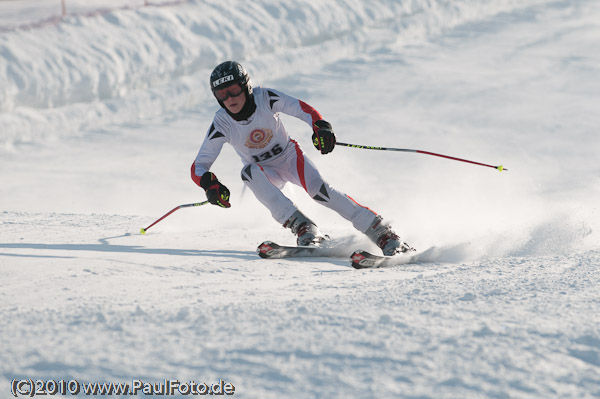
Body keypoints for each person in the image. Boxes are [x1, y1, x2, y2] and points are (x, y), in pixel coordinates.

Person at [191, 61, 412, 255]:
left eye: (234, 90)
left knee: (321, 192)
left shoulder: (264, 98)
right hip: (264, 173)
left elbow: (302, 109)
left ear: (246, 86)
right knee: (248, 172)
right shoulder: (221, 123)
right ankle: (304, 228)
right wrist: (210, 184)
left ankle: (382, 233)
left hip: (289, 159)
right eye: (222, 94)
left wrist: (321, 127)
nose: (230, 98)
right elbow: (199, 165)